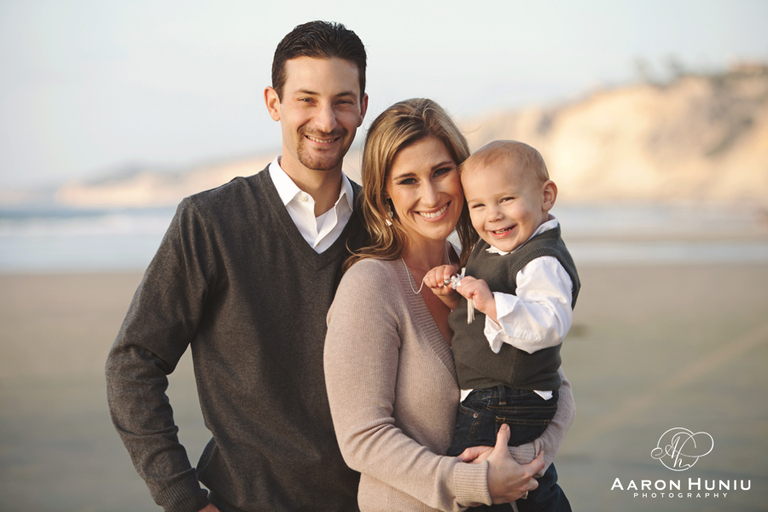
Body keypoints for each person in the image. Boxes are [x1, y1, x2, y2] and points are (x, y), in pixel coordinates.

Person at [105, 21, 369, 512]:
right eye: (306, 99)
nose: (327, 120)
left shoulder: (385, 227)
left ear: (363, 106)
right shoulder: (211, 221)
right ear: (274, 103)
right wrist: (182, 497)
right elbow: (133, 363)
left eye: (342, 101)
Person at [323, 99, 576, 512]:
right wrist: (476, 481)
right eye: (407, 180)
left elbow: (555, 386)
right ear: (384, 196)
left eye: (441, 172)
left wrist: (523, 460)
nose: (430, 194)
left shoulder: (479, 268)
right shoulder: (369, 286)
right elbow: (362, 439)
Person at [425, 140, 580, 511]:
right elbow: (483, 320)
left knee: (473, 483)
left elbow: (548, 325)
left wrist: (491, 302)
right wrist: (455, 294)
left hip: (507, 397)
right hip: (500, 396)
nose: (492, 215)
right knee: (529, 488)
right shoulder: (493, 249)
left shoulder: (541, 260)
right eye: (478, 205)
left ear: (546, 197)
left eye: (506, 199)